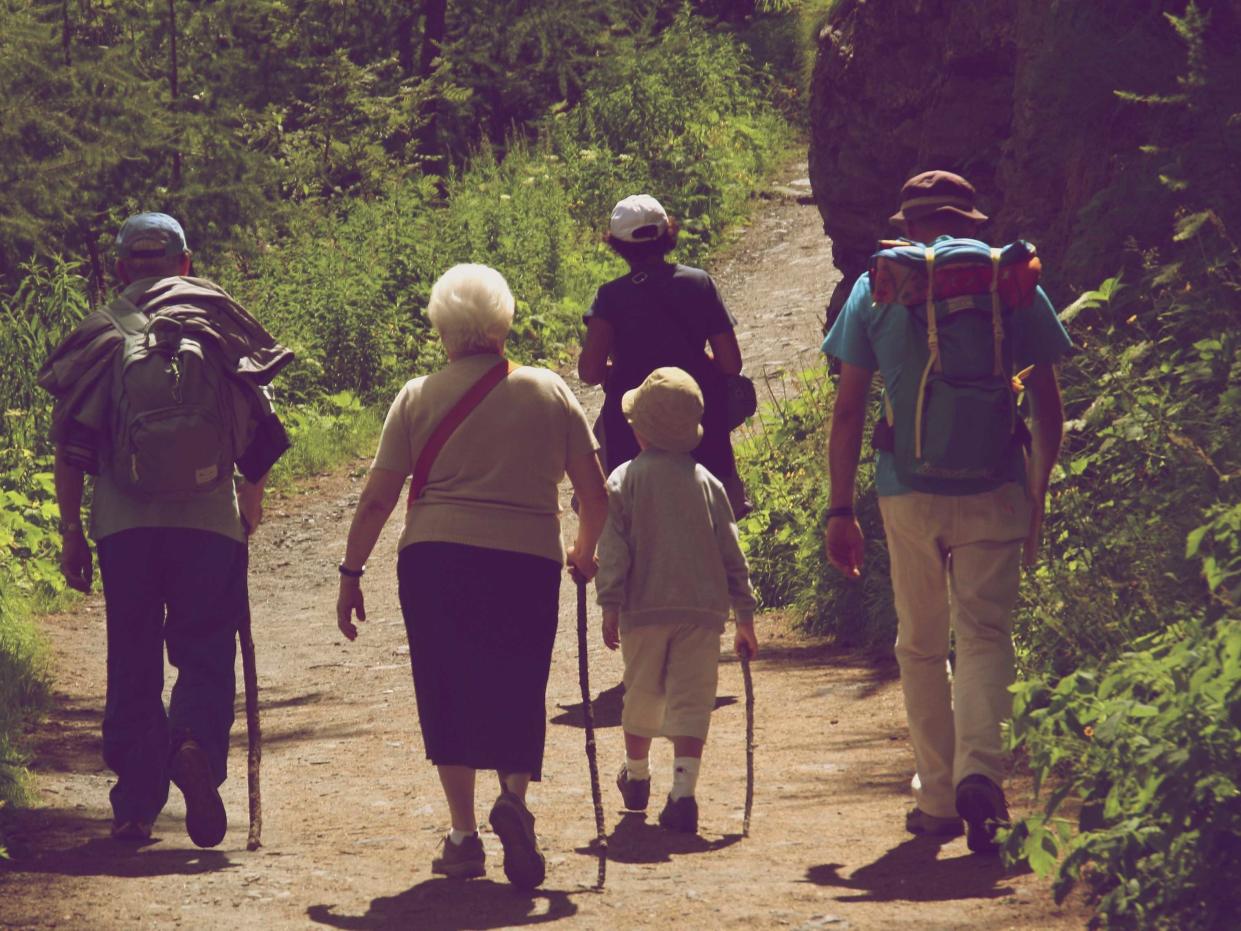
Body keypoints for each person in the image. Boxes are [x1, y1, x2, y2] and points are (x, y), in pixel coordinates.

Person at [335, 263, 608, 889]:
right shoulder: (548, 390)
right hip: (526, 559)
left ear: (443, 330)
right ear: (503, 323)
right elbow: (595, 495)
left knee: (447, 685)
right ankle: (512, 798)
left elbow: (377, 500)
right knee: (518, 679)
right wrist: (583, 552)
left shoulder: (417, 396)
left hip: (436, 560)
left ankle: (463, 835)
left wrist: (352, 571)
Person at [820, 170, 1071, 853]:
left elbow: (848, 410)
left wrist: (838, 508)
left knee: (921, 642)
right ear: (968, 221)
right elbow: (1048, 406)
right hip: (995, 485)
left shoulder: (879, 285)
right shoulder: (1009, 280)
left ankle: (936, 797)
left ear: (908, 227)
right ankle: (979, 774)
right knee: (984, 632)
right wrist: (1038, 488)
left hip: (908, 489)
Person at [41, 212, 292, 847]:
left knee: (131, 656)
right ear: (184, 263)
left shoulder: (101, 336)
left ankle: (135, 803)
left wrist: (72, 531)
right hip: (209, 523)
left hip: (126, 529)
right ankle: (194, 746)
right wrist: (250, 501)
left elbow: (71, 446)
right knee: (206, 646)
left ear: (123, 269)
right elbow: (259, 429)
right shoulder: (214, 319)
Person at [594, 366, 759, 834]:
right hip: (703, 613)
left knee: (641, 691)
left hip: (644, 610)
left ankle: (638, 774)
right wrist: (744, 615)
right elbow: (732, 551)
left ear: (638, 430)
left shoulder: (623, 480)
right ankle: (683, 794)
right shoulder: (708, 483)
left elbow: (614, 548)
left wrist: (610, 603)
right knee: (692, 699)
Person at [577, 194, 750, 516]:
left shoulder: (610, 297)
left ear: (617, 244)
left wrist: (618, 367)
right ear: (667, 233)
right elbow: (731, 363)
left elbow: (589, 372)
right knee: (712, 512)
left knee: (630, 514)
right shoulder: (699, 283)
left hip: (632, 426)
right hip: (699, 417)